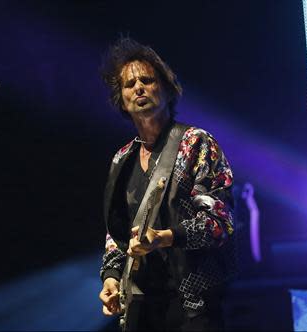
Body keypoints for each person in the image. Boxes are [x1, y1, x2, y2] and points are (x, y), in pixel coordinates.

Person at [98, 35, 236, 331]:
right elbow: (117, 234)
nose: (138, 88)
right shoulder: (121, 160)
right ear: (121, 99)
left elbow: (219, 222)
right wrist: (111, 276)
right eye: (129, 84)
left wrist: (164, 236)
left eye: (147, 80)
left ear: (166, 88)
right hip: (142, 308)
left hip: (193, 305)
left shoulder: (196, 143)